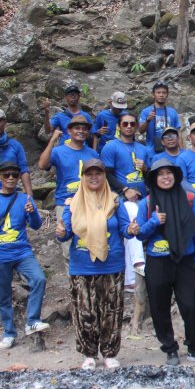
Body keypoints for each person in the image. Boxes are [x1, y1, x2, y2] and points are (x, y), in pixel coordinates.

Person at [130, 159, 195, 366]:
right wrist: (154, 221)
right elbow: (140, 235)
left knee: (191, 305)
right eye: (160, 174)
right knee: (160, 307)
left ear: (175, 176)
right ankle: (170, 348)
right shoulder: (146, 204)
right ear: (153, 179)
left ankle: (194, 346)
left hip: (186, 261)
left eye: (169, 173)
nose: (165, 177)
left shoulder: (189, 199)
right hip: (158, 262)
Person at [56, 158, 131, 370]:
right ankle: (89, 354)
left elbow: (125, 228)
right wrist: (60, 233)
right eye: (89, 174)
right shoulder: (73, 203)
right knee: (84, 312)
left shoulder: (116, 201)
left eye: (98, 173)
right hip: (82, 266)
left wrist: (132, 230)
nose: (94, 177)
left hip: (112, 264)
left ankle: (109, 353)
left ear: (104, 176)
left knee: (111, 311)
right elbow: (65, 234)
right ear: (83, 177)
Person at [0, 161, 48, 349]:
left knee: (38, 279)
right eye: (6, 175)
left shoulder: (24, 199)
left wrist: (33, 213)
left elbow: (36, 225)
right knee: (3, 295)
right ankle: (9, 332)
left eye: (14, 174)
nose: (11, 178)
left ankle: (32, 320)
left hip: (22, 251)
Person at [38, 115, 98, 220]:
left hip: (89, 202)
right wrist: (52, 141)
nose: (81, 131)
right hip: (65, 201)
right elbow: (42, 165)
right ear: (69, 131)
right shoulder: (58, 151)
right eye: (77, 128)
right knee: (64, 234)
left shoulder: (93, 154)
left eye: (84, 129)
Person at [100, 113, 151, 202]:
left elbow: (150, 175)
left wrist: (145, 168)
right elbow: (106, 174)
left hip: (143, 196)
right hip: (122, 197)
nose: (129, 126)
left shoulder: (143, 148)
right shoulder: (110, 147)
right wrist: (124, 190)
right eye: (125, 124)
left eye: (132, 124)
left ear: (136, 127)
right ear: (118, 126)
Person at [138, 81, 181, 153]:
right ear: (153, 94)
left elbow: (178, 133)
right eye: (158, 92)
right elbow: (141, 131)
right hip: (151, 152)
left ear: (167, 94)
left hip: (170, 152)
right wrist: (147, 120)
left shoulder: (172, 112)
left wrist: (181, 151)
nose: (161, 95)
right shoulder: (146, 111)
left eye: (164, 93)